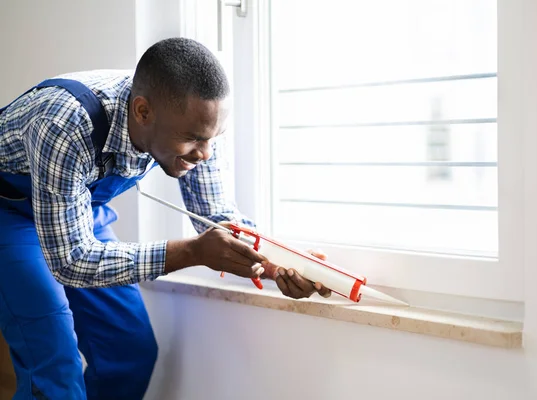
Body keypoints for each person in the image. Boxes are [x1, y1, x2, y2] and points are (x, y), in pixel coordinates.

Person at [0, 37, 331, 399]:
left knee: (129, 351)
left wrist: (281, 261)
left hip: (78, 209)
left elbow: (217, 218)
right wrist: (191, 253)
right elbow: (71, 260)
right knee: (53, 364)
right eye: (193, 139)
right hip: (9, 214)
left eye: (212, 138)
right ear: (142, 112)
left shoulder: (193, 120)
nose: (204, 153)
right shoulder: (65, 122)